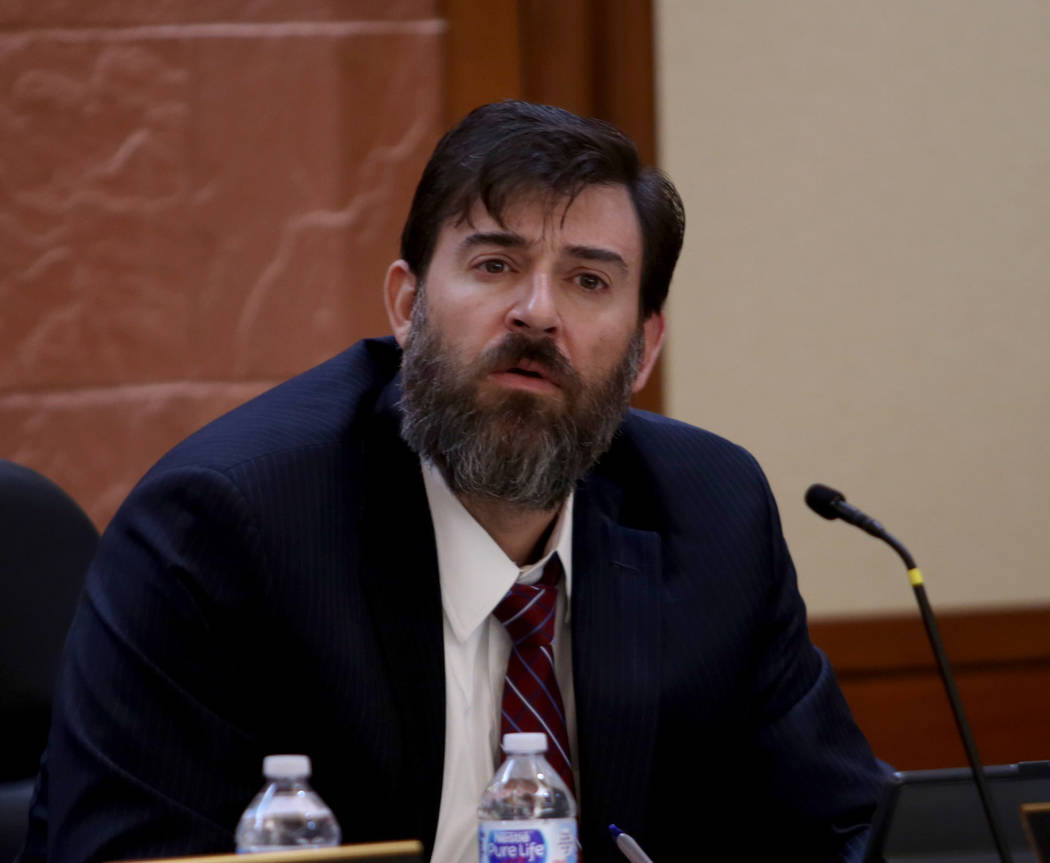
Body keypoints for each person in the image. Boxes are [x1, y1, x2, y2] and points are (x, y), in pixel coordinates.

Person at [26, 101, 883, 863]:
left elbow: (838, 828)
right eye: (495, 265)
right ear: (407, 306)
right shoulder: (230, 525)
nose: (538, 312)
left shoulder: (711, 511)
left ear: (644, 347)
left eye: (588, 280)